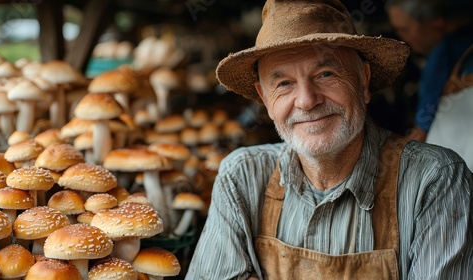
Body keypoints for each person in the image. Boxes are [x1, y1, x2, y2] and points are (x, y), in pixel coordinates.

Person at [186, 0, 473, 279]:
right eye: (284, 83)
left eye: (326, 74)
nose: (307, 101)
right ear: (265, 99)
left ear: (363, 81)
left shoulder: (435, 180)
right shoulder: (242, 177)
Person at [386, 0, 473, 142]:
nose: (402, 38)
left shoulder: (442, 55)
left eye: (405, 30)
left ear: (436, 21)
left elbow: (420, 132)